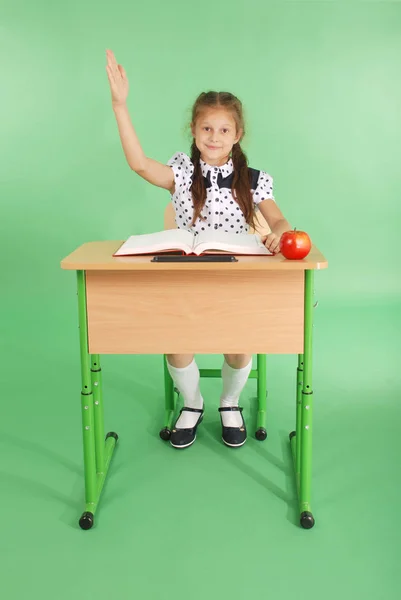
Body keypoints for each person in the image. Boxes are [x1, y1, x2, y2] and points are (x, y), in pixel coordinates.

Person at [106, 49, 292, 450]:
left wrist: (281, 231)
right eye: (206, 128)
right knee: (176, 341)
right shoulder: (182, 172)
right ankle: (191, 403)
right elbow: (139, 164)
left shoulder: (254, 179)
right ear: (193, 130)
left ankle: (229, 402)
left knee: (240, 346)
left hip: (235, 279)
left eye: (224, 130)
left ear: (237, 135)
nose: (214, 137)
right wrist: (120, 105)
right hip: (186, 275)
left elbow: (277, 220)